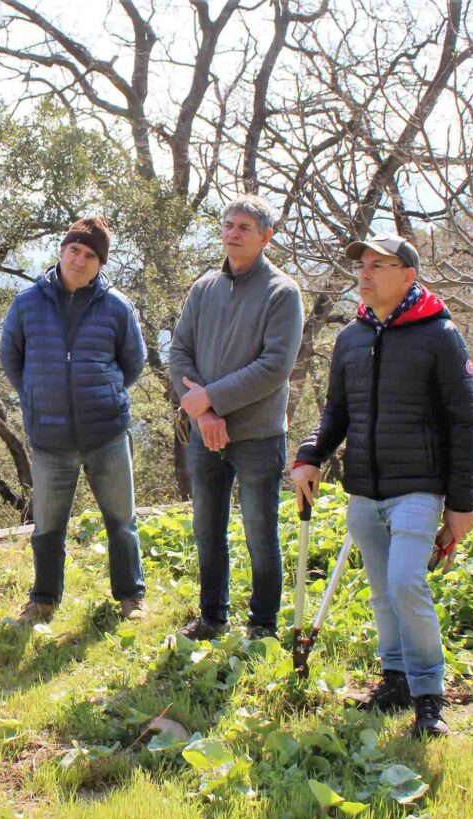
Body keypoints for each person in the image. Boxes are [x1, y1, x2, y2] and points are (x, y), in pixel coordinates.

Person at [291, 232, 473, 738]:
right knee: (381, 592)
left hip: (418, 488)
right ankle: (394, 679)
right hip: (364, 491)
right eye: (363, 264)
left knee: (404, 584)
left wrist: (461, 505)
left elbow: (466, 422)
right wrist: (310, 455)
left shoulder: (440, 335)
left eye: (379, 264)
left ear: (408, 276)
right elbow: (336, 411)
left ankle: (429, 697)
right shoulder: (351, 337)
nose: (365, 273)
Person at [168, 195, 304, 641]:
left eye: (243, 226)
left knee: (260, 537)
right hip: (204, 435)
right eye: (227, 224)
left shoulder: (282, 293)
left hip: (258, 436)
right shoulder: (204, 288)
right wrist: (204, 412)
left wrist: (212, 401)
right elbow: (180, 351)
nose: (232, 232)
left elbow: (274, 366)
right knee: (208, 530)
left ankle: (263, 627)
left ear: (265, 236)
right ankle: (212, 618)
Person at [0, 216, 147, 623]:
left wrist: (103, 394)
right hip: (49, 438)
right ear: (61, 251)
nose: (79, 259)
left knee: (121, 520)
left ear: (101, 263)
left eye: (90, 255)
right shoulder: (27, 302)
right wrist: (36, 396)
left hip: (106, 434)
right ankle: (43, 601)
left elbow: (133, 363)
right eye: (74, 250)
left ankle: (131, 598)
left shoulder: (116, 306)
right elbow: (12, 359)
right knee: (47, 527)